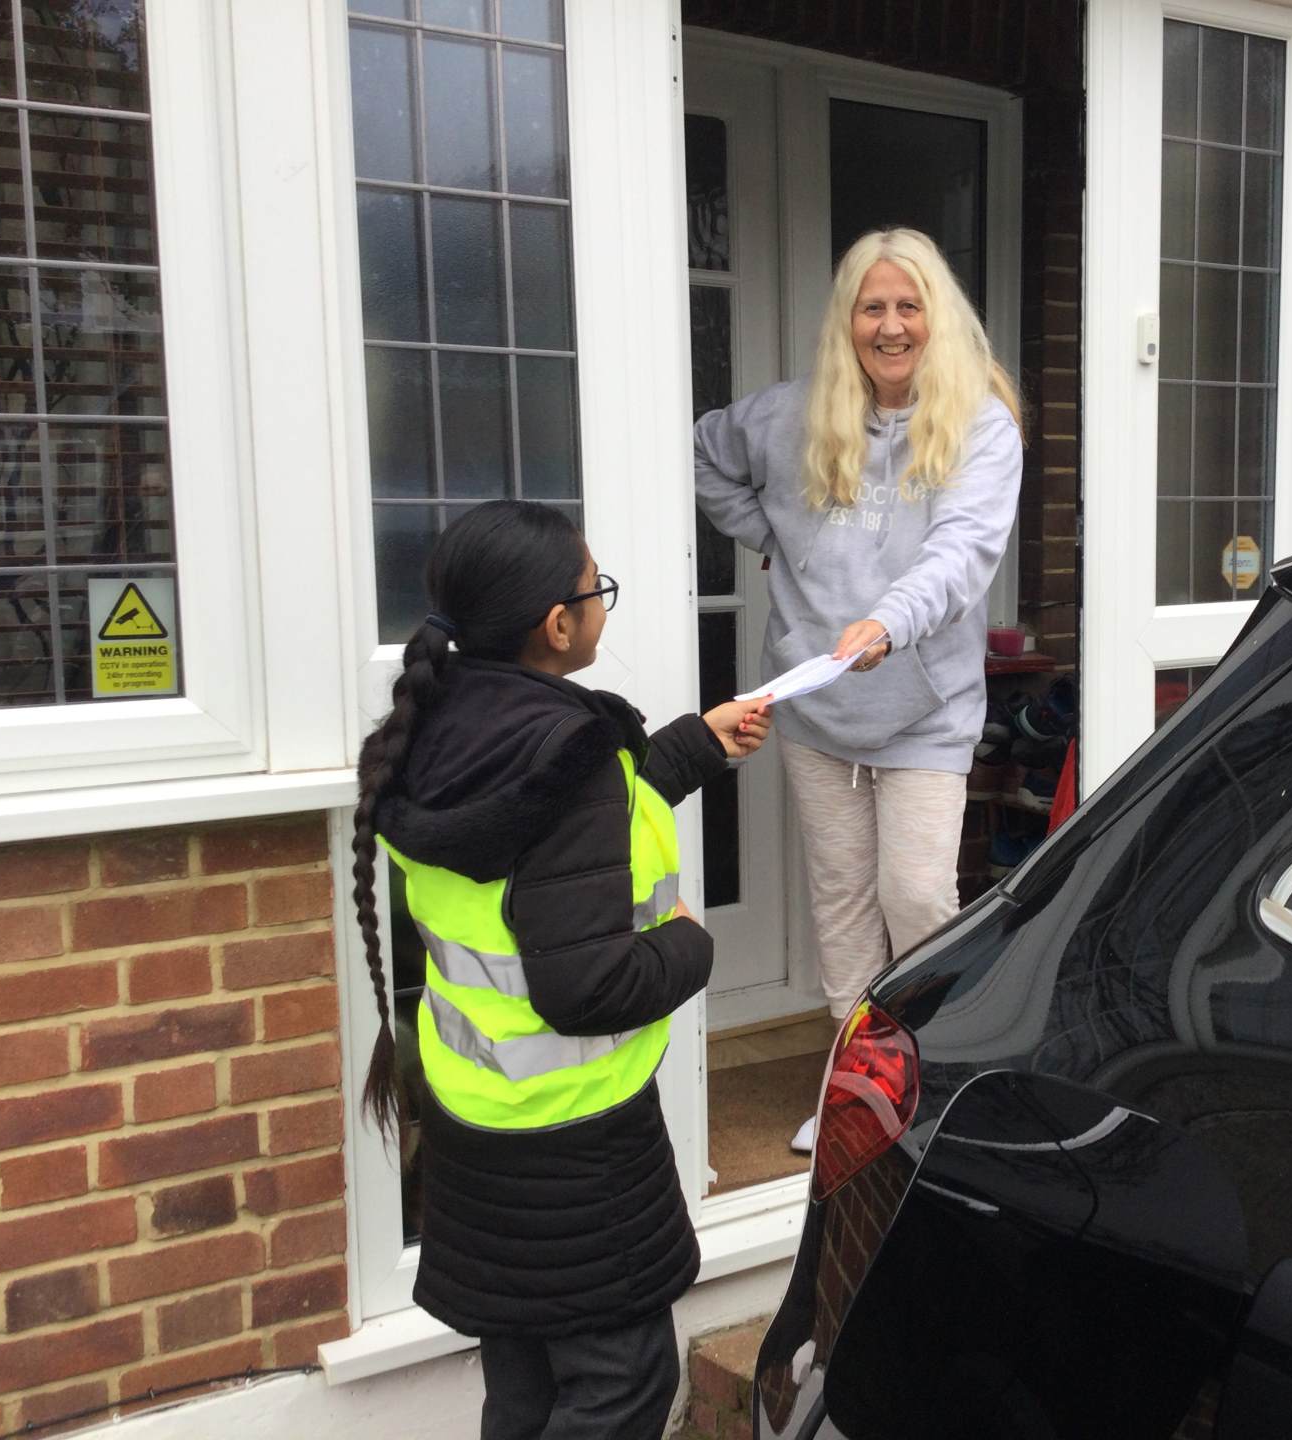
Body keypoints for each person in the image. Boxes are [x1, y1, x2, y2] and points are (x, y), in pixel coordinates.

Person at [351, 500, 772, 1440]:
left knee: (526, 1387)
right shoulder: (563, 754)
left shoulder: (437, 726)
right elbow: (587, 986)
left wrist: (697, 743)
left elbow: (541, 838)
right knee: (621, 1387)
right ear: (556, 624)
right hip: (577, 1151)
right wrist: (691, 942)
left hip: (478, 1123)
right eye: (596, 590)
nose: (600, 606)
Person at [693, 227, 1024, 1150]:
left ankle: (931, 1078)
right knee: (840, 902)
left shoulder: (980, 425)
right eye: (872, 308)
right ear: (847, 320)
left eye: (908, 306)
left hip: (924, 704)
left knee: (915, 896)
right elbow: (702, 452)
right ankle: (856, 1085)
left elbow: (963, 552)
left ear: (937, 317)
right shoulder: (791, 415)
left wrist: (888, 620)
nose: (890, 326)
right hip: (818, 709)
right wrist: (768, 534)